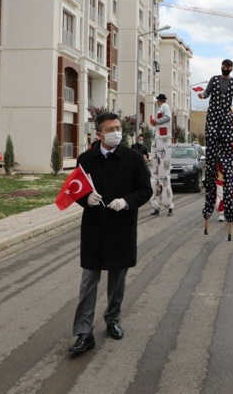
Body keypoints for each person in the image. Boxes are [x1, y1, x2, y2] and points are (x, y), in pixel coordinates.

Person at [68, 112, 153, 354]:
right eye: (110, 129)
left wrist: (126, 202)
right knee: (88, 281)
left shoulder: (134, 158)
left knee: (117, 280)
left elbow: (145, 190)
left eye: (118, 127)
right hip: (94, 228)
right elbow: (75, 190)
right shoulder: (86, 159)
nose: (116, 132)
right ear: (99, 134)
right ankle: (84, 332)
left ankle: (112, 319)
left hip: (121, 228)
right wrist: (87, 198)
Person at [198, 59, 233, 236]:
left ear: (232, 69)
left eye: (228, 68)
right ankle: (209, 207)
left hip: (226, 119)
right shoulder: (214, 79)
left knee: (226, 160)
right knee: (212, 156)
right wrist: (202, 96)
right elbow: (206, 92)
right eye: (224, 67)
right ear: (221, 67)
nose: (226, 70)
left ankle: (227, 210)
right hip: (213, 117)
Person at [149, 94, 174, 216]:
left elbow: (168, 117)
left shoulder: (165, 106)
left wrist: (156, 121)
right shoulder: (160, 108)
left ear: (159, 100)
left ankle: (168, 205)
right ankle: (157, 205)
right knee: (155, 176)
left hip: (163, 141)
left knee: (163, 175)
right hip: (158, 141)